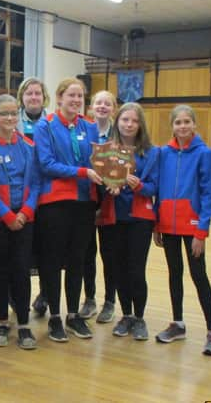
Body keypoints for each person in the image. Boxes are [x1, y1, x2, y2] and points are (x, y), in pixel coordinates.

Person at [33, 77, 103, 342]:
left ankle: (73, 315)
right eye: (71, 95)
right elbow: (46, 163)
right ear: (60, 97)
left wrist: (113, 177)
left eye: (80, 97)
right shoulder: (45, 125)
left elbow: (101, 162)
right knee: (51, 260)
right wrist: (83, 172)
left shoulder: (90, 127)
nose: (76, 100)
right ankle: (54, 317)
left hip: (85, 203)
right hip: (55, 203)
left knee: (78, 259)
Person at [153, 105, 211, 356]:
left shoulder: (204, 153)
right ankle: (178, 323)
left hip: (192, 227)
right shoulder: (164, 153)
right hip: (168, 226)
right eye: (177, 122)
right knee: (174, 274)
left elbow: (208, 193)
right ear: (172, 126)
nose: (182, 126)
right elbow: (158, 189)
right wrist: (157, 223)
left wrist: (201, 232)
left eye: (186, 122)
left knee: (198, 275)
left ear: (194, 125)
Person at [97, 102, 159, 341]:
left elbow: (155, 186)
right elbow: (98, 183)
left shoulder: (152, 153)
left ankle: (140, 317)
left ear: (140, 124)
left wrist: (139, 185)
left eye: (134, 120)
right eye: (125, 120)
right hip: (114, 217)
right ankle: (126, 315)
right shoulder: (106, 150)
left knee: (136, 270)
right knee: (119, 269)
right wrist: (107, 188)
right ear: (117, 122)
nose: (129, 124)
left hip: (139, 219)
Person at [0, 94, 39, 350]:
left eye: (13, 113)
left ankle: (24, 323)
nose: (9, 118)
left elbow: (36, 183)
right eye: (4, 114)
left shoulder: (28, 145)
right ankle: (3, 321)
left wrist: (25, 212)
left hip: (24, 218)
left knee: (21, 270)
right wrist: (6, 215)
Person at [80, 90, 119, 323]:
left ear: (113, 108)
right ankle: (90, 298)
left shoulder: (119, 132)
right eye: (98, 103)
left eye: (107, 103)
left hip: (111, 201)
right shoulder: (83, 130)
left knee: (109, 253)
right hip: (87, 198)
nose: (102, 106)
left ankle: (110, 301)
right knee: (87, 252)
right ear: (91, 107)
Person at [15, 77, 51, 316]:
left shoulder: (52, 123)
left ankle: (45, 294)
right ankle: (16, 298)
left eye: (37, 93)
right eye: (29, 94)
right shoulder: (12, 122)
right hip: (21, 195)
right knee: (22, 251)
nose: (33, 98)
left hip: (47, 194)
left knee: (46, 249)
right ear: (22, 97)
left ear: (44, 97)